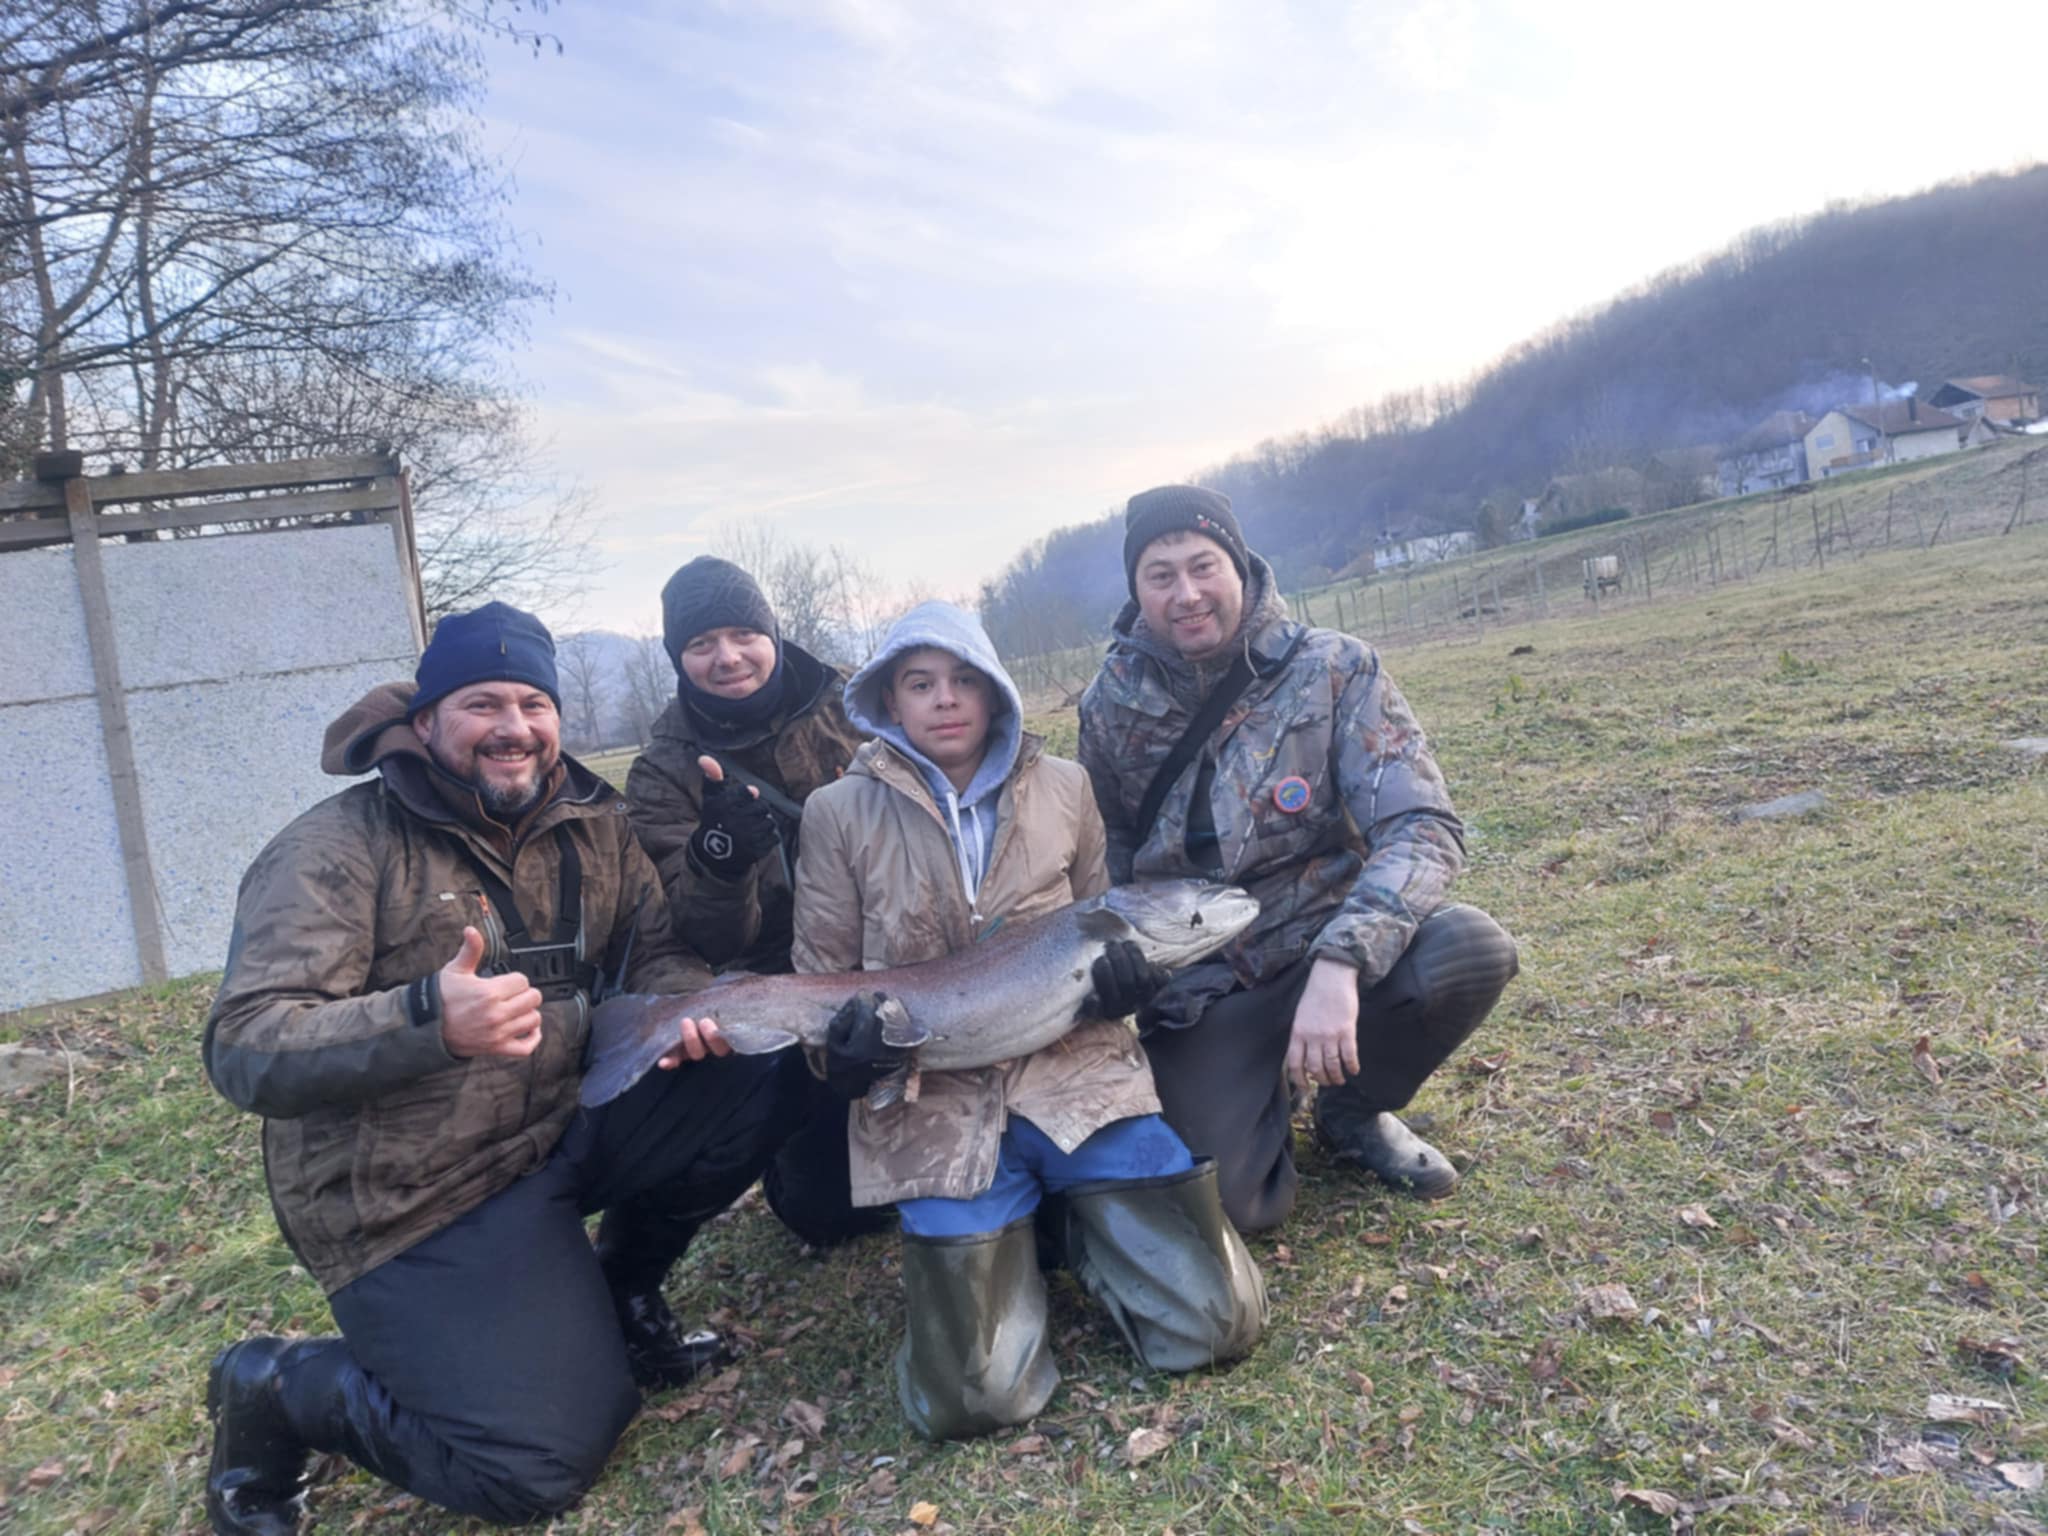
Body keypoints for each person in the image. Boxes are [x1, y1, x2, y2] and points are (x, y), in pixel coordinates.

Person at [201, 602, 793, 1533]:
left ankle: (620, 1291)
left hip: (559, 1127)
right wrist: (424, 1018)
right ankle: (278, 1386)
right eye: (483, 703)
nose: (514, 728)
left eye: (533, 703)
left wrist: (687, 1009)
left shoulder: (594, 826)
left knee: (767, 1062)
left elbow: (659, 953)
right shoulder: (337, 848)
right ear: (427, 717)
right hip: (419, 1195)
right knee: (533, 1467)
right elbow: (244, 1043)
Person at [791, 601, 1266, 1441]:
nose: (946, 699)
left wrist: (1127, 991)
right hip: (930, 1106)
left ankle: (1068, 1230)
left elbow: (1096, 912)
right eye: (921, 683)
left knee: (1217, 1325)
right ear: (887, 700)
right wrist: (846, 1057)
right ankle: (1033, 1234)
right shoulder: (835, 813)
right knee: (976, 1401)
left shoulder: (1066, 788)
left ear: (996, 691)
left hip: (1074, 1079)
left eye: (965, 680)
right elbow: (818, 984)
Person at [1077, 485, 1520, 1234]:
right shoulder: (1109, 704)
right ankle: (1263, 1095)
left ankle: (1350, 1113)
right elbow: (1102, 857)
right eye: (1160, 575)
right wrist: (1116, 967)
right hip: (1206, 984)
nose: (1186, 594)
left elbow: (1422, 823)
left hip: (1326, 941)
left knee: (1469, 951)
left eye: (1202, 565)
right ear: (1137, 589)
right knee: (1233, 1210)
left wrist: (1343, 962)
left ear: (1241, 567)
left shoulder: (1335, 669)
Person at [623, 556, 877, 1247]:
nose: (727, 657)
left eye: (743, 634)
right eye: (701, 644)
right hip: (779, 991)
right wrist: (720, 860)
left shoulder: (858, 707)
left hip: (900, 952)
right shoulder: (660, 774)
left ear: (772, 632)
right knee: (831, 1214)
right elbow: (705, 940)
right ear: (678, 657)